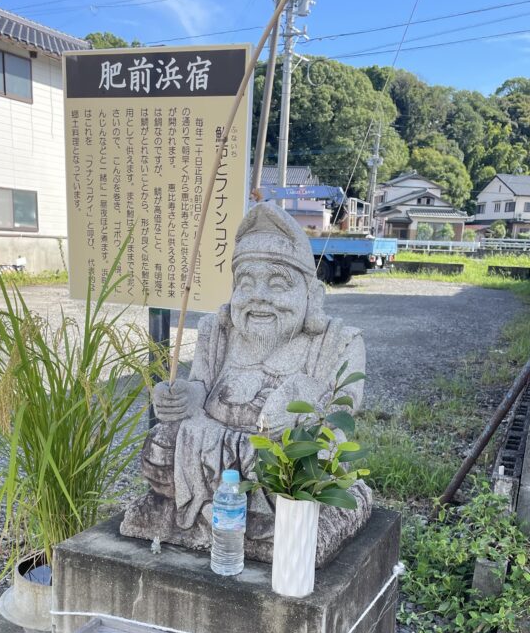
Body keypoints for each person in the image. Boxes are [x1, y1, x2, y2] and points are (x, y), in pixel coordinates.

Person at [122, 202, 371, 557]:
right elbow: (202, 385)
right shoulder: (217, 330)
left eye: (277, 283)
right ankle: (220, 506)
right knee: (160, 445)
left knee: (311, 462)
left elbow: (342, 410)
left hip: (278, 459)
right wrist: (186, 396)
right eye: (246, 282)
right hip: (209, 448)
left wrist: (301, 404)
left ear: (311, 295)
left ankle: (271, 515)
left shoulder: (338, 342)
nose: (259, 296)